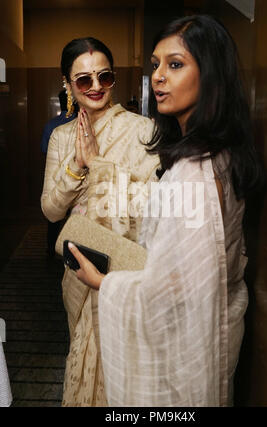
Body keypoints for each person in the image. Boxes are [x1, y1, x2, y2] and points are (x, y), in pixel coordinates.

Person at [68, 15, 263, 407]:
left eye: (175, 64)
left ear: (211, 73)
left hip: (189, 344)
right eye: (155, 65)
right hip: (215, 327)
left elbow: (173, 291)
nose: (158, 76)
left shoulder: (193, 170)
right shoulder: (221, 151)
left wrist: (103, 284)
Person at [40, 37, 159, 406]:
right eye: (83, 80)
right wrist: (77, 165)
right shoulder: (61, 137)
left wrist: (99, 167)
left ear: (114, 78)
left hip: (126, 267)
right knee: (84, 350)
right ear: (68, 84)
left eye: (103, 77)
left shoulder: (143, 130)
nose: (95, 88)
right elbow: (50, 210)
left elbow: (153, 206)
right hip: (78, 269)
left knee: (125, 367)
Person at [41, 90, 77, 257]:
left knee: (54, 215)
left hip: (56, 177)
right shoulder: (81, 122)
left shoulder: (50, 124)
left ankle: (50, 249)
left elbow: (44, 150)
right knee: (75, 217)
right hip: (79, 178)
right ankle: (73, 253)